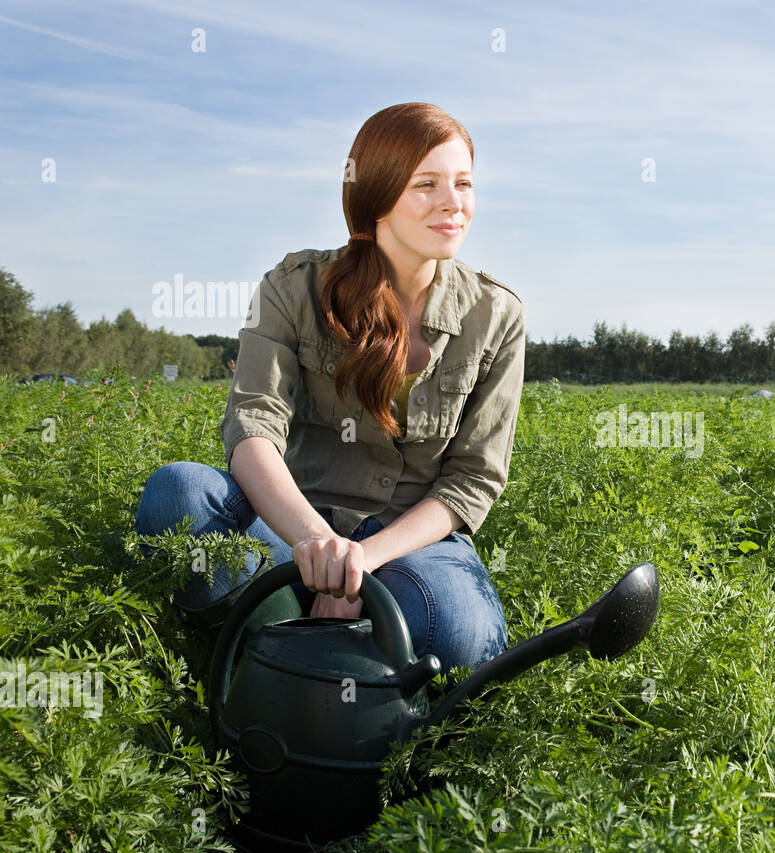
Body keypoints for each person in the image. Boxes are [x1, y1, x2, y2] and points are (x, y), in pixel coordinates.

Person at [133, 102, 525, 670]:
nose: (453, 203)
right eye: (426, 184)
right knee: (179, 495)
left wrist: (357, 563)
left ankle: (289, 635)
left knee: (465, 632)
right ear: (378, 193)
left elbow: (472, 480)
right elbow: (253, 431)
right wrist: (316, 547)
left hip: (408, 547)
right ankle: (289, 646)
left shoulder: (497, 314)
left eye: (464, 183)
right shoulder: (293, 288)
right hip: (291, 527)